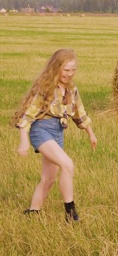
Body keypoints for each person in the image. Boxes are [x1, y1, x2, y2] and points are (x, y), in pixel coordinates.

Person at [12, 49, 97, 222]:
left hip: (58, 133)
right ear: (56, 68)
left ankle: (33, 212)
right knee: (68, 165)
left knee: (49, 178)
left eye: (73, 70)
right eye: (66, 70)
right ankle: (70, 214)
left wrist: (91, 133)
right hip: (41, 130)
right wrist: (24, 141)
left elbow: (79, 114)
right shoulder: (46, 89)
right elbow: (28, 115)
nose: (70, 74)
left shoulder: (71, 90)